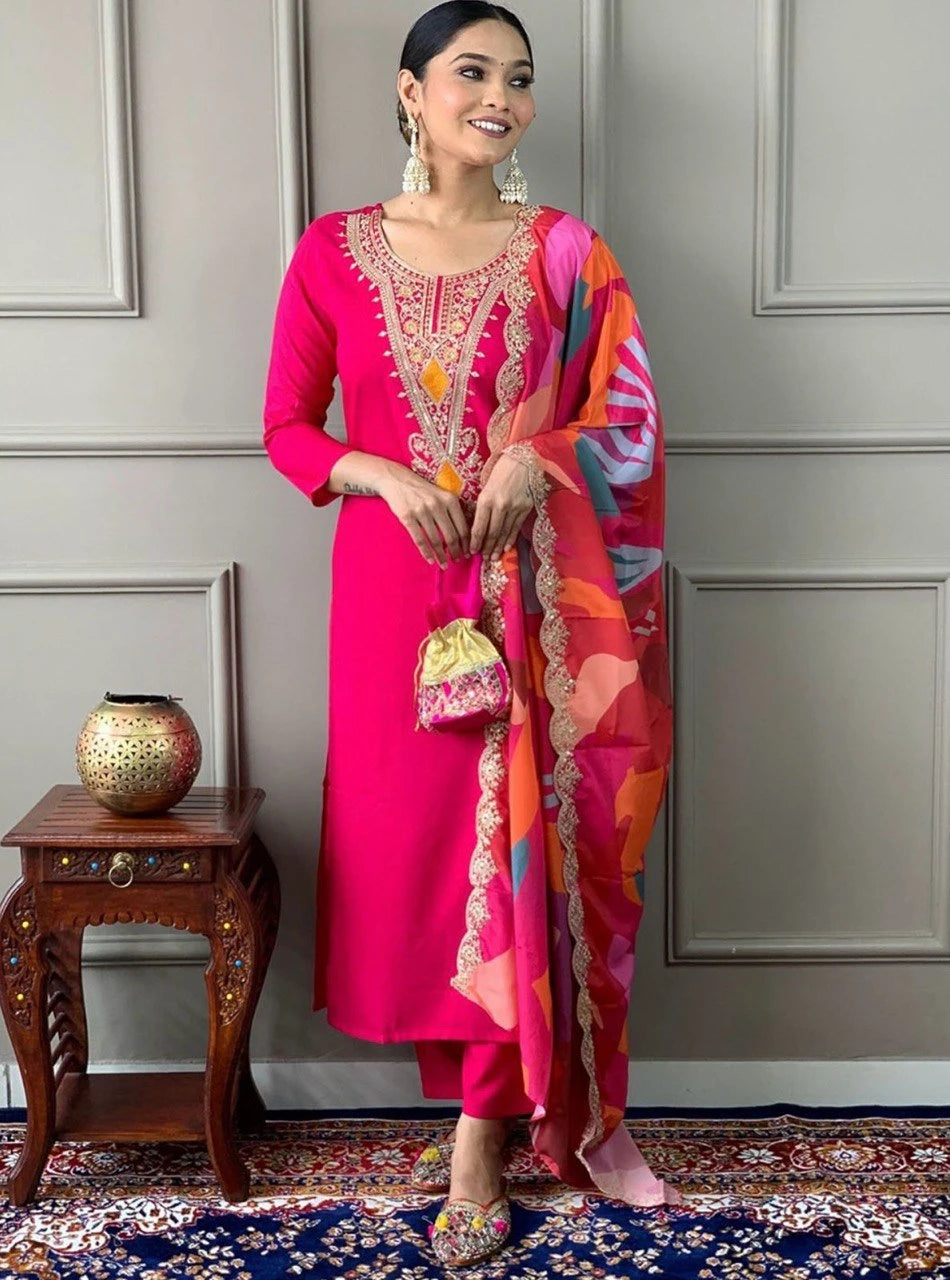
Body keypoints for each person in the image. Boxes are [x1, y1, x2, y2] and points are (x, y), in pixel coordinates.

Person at [263, 0, 679, 1266]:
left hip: (534, 599)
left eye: (519, 78)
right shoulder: (333, 251)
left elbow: (628, 423)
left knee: (523, 847)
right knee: (421, 854)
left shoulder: (563, 252)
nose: (498, 96)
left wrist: (533, 456)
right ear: (410, 92)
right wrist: (386, 478)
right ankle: (476, 1097)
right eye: (471, 72)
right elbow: (287, 427)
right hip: (394, 600)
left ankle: (476, 1142)